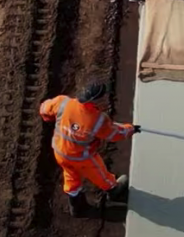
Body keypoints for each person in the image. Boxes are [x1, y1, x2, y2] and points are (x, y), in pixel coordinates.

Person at [39, 81, 140, 217]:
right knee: (99, 173)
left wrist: (48, 118)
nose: (105, 99)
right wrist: (130, 129)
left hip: (60, 152)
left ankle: (77, 207)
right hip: (82, 157)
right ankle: (114, 190)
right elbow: (114, 134)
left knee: (71, 177)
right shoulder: (97, 120)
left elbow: (44, 109)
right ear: (95, 101)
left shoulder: (63, 102)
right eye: (103, 97)